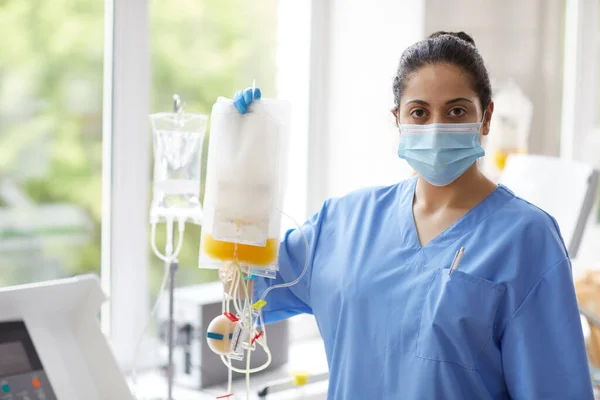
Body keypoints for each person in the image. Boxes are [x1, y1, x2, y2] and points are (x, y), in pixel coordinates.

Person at [232, 31, 594, 399]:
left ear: (486, 118)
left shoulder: (526, 238)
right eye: (419, 112)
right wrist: (240, 160)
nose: (436, 127)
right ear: (398, 120)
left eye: (456, 111)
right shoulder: (344, 221)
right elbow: (242, 285)